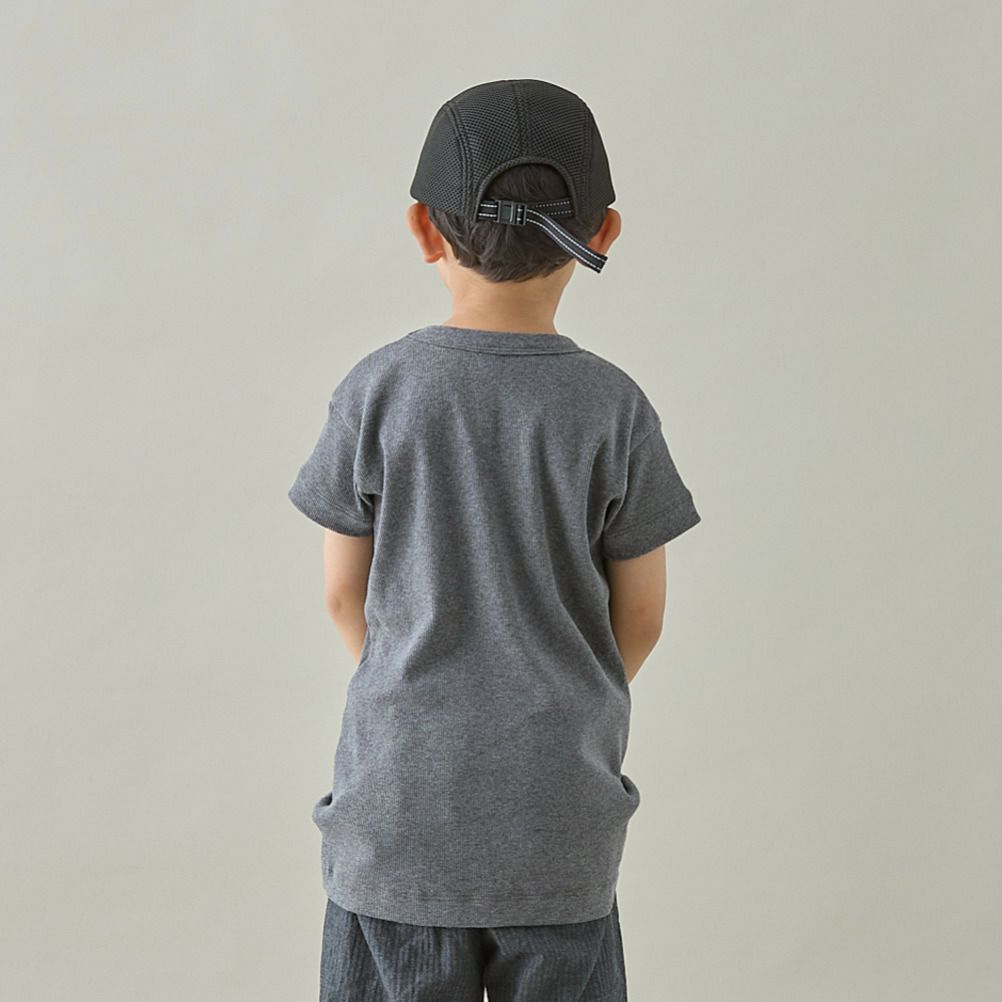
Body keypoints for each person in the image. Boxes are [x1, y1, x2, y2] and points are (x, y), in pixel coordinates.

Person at [288, 78, 702, 1002]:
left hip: (399, 812)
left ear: (422, 229)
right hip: (558, 816)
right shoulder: (614, 408)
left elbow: (342, 596)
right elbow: (642, 616)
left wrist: (420, 691)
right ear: (603, 233)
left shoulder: (377, 391)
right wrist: (553, 696)